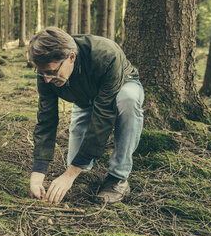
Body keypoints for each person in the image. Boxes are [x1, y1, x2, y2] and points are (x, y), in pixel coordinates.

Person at [28, 27, 144, 204]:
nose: (46, 79)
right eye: (41, 72)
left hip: (119, 89)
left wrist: (70, 174)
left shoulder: (106, 54)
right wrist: (38, 174)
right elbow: (46, 120)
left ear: (71, 57)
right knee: (78, 165)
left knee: (128, 100)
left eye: (51, 72)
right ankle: (82, 172)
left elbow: (104, 116)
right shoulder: (46, 71)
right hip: (83, 98)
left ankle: (118, 177)